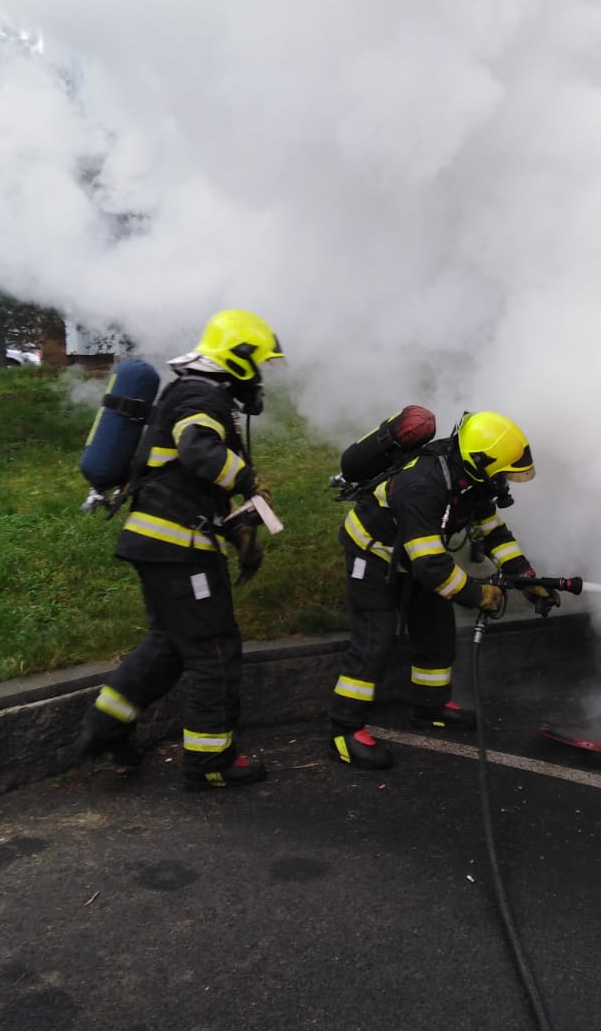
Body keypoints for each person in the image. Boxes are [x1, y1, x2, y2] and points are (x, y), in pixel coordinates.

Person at [75, 309, 286, 790]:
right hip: (179, 549)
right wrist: (249, 480)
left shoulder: (196, 394)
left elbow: (191, 482)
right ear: (238, 361)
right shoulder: (199, 395)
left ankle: (105, 728)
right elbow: (196, 452)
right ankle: (210, 762)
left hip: (161, 542)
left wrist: (241, 536)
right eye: (258, 365)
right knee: (214, 650)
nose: (260, 379)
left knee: (169, 645)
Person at [328, 410, 554, 769]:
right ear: (482, 462)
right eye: (504, 474)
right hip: (372, 554)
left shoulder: (470, 479)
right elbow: (432, 567)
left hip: (413, 557)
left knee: (436, 630)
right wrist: (479, 594)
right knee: (375, 639)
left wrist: (527, 578)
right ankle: (344, 730)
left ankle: (429, 708)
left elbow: (493, 532)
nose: (506, 482)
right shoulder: (423, 485)